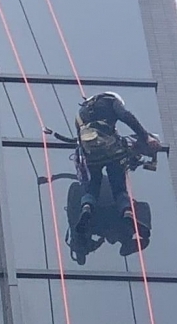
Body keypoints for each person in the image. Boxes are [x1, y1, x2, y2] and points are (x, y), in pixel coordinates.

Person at [46, 92, 161, 238]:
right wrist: (146, 136)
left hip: (91, 156)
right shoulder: (110, 101)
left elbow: (77, 141)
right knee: (119, 186)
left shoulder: (80, 114)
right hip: (112, 153)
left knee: (92, 186)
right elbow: (127, 117)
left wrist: (55, 134)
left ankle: (87, 207)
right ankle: (126, 211)